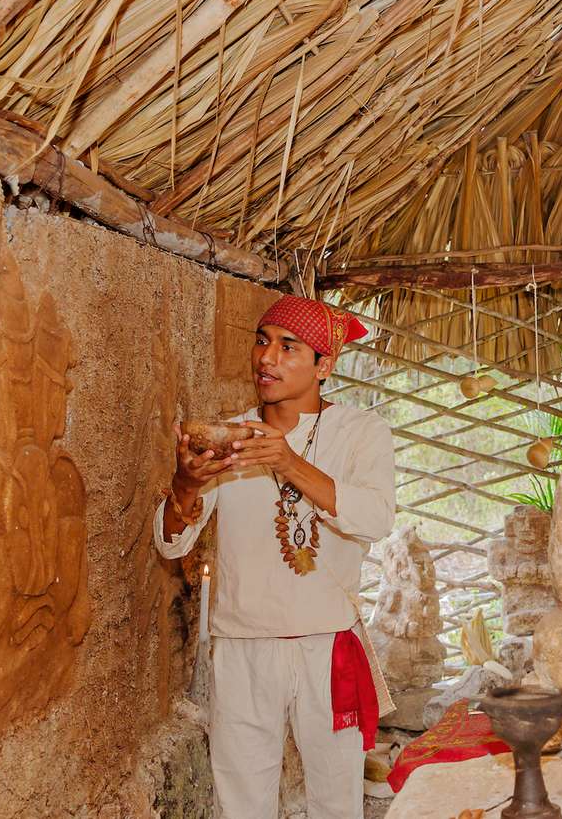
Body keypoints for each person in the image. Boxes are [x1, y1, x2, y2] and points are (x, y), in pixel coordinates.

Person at [155, 294, 397, 819]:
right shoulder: (230, 436)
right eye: (262, 342)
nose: (267, 359)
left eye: (289, 347)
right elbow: (173, 539)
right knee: (240, 800)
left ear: (324, 365)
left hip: (328, 645)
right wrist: (186, 483)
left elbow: (375, 519)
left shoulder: (361, 433)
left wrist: (288, 461)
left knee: (336, 798)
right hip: (242, 644)